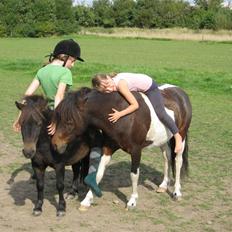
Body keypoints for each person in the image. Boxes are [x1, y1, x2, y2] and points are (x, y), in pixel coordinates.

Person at [91, 72, 183, 153]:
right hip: (138, 86)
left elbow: (135, 105)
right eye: (105, 90)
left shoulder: (120, 85)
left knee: (160, 112)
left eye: (108, 85)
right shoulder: (113, 85)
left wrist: (119, 114)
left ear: (108, 77)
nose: (109, 90)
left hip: (150, 87)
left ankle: (177, 136)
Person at [13, 39, 84, 134]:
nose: (73, 65)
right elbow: (59, 97)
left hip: (46, 111)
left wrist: (19, 118)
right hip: (62, 113)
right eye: (73, 61)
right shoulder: (66, 72)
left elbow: (27, 95)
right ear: (65, 57)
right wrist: (55, 121)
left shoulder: (42, 71)